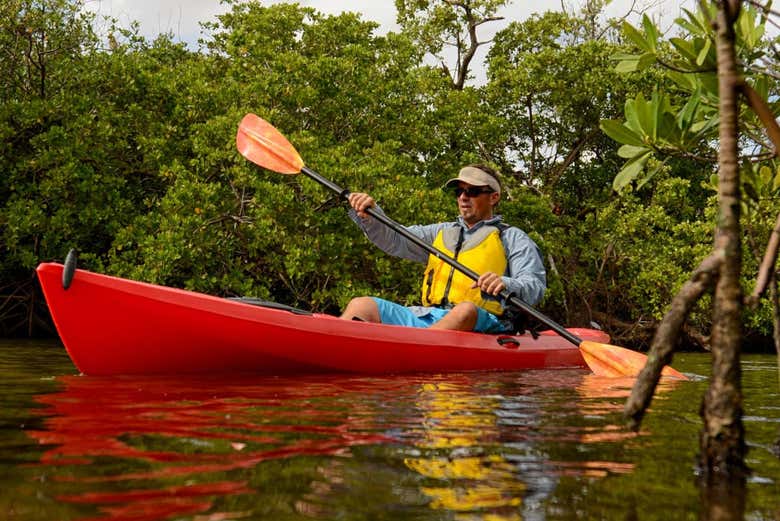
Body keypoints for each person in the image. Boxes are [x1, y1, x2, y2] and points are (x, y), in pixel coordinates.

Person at [339, 164, 546, 333]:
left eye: (473, 191)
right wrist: (371, 213)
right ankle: (337, 346)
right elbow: (395, 239)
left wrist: (504, 282)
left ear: (494, 197)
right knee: (362, 305)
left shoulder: (512, 237)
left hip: (484, 320)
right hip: (428, 316)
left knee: (465, 310)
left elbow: (534, 286)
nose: (464, 197)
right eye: (459, 191)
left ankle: (414, 353)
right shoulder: (440, 233)